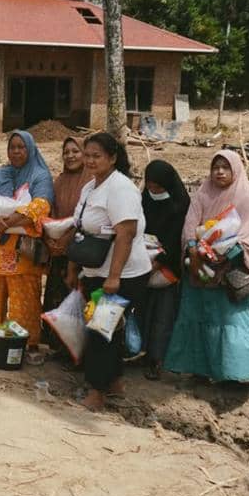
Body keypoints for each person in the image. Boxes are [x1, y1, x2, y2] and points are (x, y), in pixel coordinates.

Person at [165, 151, 249, 386]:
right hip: (200, 268)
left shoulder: (244, 198)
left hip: (229, 270)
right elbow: (190, 224)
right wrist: (194, 248)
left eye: (225, 167)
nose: (219, 172)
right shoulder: (202, 194)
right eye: (215, 167)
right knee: (198, 316)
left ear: (236, 170)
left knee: (230, 320)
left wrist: (224, 252)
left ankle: (236, 373)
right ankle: (199, 369)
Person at [66, 132, 151, 410]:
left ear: (112, 158)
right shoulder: (91, 187)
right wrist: (73, 268)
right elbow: (80, 228)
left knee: (101, 330)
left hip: (122, 274)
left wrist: (114, 277)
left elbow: (126, 233)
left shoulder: (120, 188)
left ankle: (96, 392)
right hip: (96, 270)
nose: (90, 161)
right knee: (107, 329)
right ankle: (114, 382)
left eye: (97, 156)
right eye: (87, 155)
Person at [0, 130, 54, 361]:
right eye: (12, 147)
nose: (16, 152)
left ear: (30, 149)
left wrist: (7, 222)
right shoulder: (1, 173)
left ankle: (28, 345)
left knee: (24, 299)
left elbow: (42, 205)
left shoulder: (40, 175)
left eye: (21, 147)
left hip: (22, 251)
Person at [139, 159, 191, 380]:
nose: (153, 190)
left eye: (158, 186)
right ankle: (144, 353)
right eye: (150, 185)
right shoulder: (144, 200)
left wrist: (158, 261)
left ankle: (158, 359)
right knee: (144, 313)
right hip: (144, 266)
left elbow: (177, 238)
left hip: (167, 270)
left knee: (163, 316)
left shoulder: (180, 205)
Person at [42, 137, 92, 327]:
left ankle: (75, 343)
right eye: (66, 152)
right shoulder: (60, 181)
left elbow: (87, 217)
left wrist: (67, 239)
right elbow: (51, 212)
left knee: (77, 300)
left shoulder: (91, 182)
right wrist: (50, 238)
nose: (70, 156)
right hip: (57, 252)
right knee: (57, 298)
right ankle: (54, 340)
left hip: (81, 251)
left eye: (75, 151)